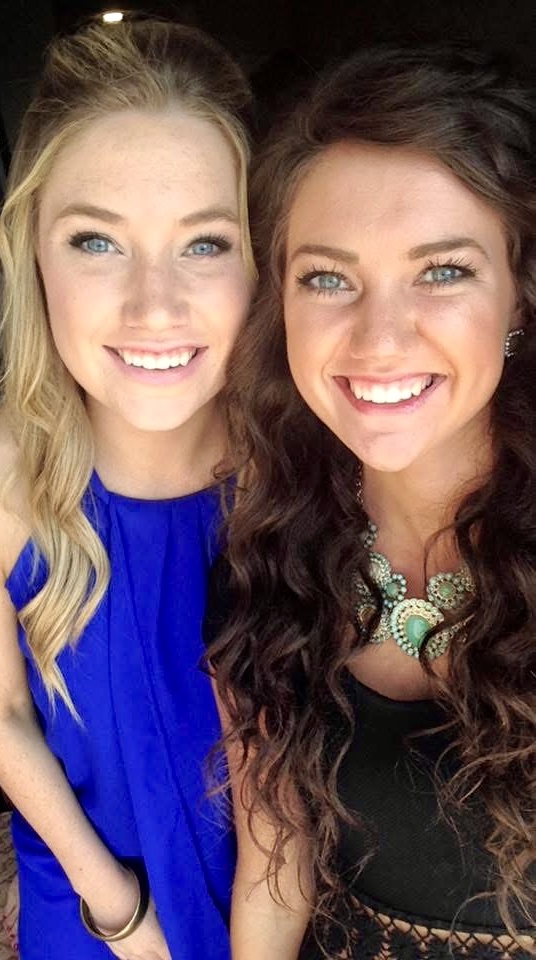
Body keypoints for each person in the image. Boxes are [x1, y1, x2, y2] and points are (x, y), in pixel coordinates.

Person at [206, 47, 536, 959]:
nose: (379, 339)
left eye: (443, 271)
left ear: (520, 295)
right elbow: (275, 874)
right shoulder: (268, 547)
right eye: (327, 278)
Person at [0, 17, 253, 959]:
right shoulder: (4, 471)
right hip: (92, 909)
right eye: (97, 241)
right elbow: (2, 717)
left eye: (205, 244)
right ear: (32, 250)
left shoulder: (312, 469)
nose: (154, 307)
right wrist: (121, 914)